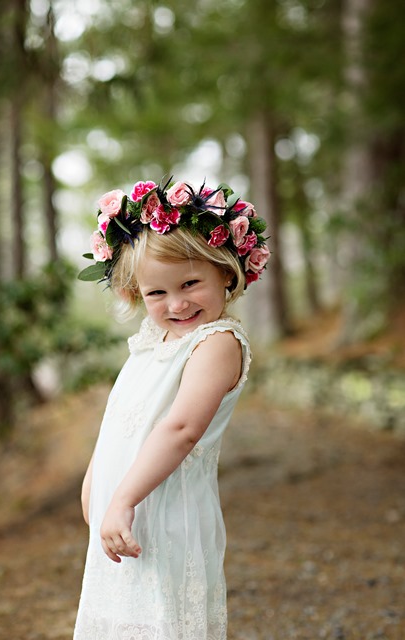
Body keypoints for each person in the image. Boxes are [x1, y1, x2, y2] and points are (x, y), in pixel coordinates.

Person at [74, 177, 270, 640]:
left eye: (190, 283)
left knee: (161, 620)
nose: (176, 303)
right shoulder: (149, 341)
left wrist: (122, 497)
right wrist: (96, 483)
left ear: (226, 272)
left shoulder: (217, 343)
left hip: (166, 511)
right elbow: (120, 422)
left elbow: (180, 428)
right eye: (156, 294)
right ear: (136, 294)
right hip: (124, 511)